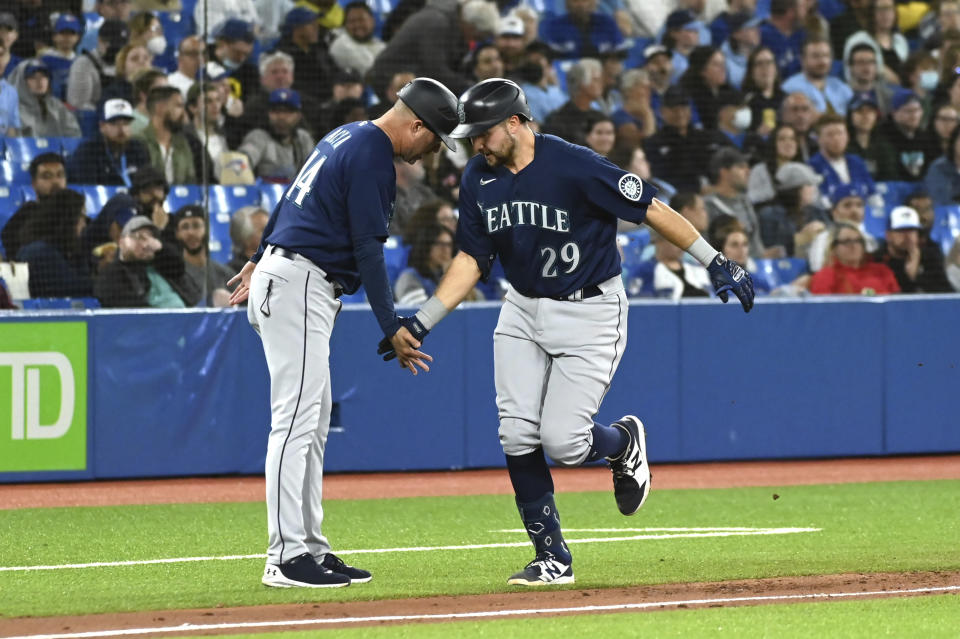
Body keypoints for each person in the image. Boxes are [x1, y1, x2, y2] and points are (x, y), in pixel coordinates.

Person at [377, 78, 754, 586]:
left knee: (565, 441)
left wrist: (715, 260)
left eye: (483, 133)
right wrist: (421, 321)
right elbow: (471, 259)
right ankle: (551, 555)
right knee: (515, 431)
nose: (477, 145)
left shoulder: (574, 163)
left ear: (515, 122)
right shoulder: (478, 178)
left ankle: (621, 443)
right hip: (522, 309)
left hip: (590, 311)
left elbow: (651, 208)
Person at [227, 77, 460, 588]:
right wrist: (391, 324)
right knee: (294, 421)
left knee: (310, 425)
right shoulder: (374, 153)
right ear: (416, 124)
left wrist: (256, 257)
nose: (431, 153)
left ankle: (310, 546)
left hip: (290, 275)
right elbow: (368, 250)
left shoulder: (346, 134)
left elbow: (289, 200)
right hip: (299, 283)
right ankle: (285, 556)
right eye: (434, 140)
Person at [94, 215, 193, 308]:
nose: (146, 244)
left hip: (187, 319)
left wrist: (160, 247)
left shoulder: (160, 264)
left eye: (150, 238)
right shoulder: (112, 273)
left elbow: (179, 267)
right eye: (138, 237)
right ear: (121, 242)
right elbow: (128, 310)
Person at [15, 189, 93, 299]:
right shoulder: (40, 252)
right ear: (69, 218)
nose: (84, 224)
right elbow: (73, 289)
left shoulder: (62, 250)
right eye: (81, 216)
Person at [67, 98, 151, 186]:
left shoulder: (139, 149)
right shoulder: (88, 152)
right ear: (102, 126)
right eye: (114, 123)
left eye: (126, 123)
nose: (121, 130)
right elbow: (88, 189)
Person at [0, 153, 67, 261]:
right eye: (47, 176)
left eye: (60, 175)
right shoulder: (27, 214)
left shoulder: (75, 212)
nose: (55, 181)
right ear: (34, 183)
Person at [238, 88, 315, 182]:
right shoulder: (258, 137)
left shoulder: (303, 138)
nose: (281, 117)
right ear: (268, 114)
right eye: (276, 111)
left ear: (298, 115)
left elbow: (315, 172)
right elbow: (241, 161)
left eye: (288, 112)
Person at [872, 206, 954, 293]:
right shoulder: (878, 259)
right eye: (901, 230)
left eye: (912, 230)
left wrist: (917, 276)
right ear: (888, 235)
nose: (907, 236)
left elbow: (946, 294)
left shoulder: (930, 257)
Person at [704, 147, 768, 258]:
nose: (748, 172)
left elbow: (756, 243)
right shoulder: (707, 206)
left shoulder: (745, 202)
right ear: (724, 172)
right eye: (741, 167)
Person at [809, 221, 899, 295]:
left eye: (857, 241)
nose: (853, 245)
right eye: (846, 241)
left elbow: (896, 306)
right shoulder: (825, 276)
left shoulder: (882, 271)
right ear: (834, 248)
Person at [809, 113, 877, 207]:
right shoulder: (812, 167)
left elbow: (873, 196)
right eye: (830, 134)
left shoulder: (857, 162)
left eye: (840, 133)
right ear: (819, 139)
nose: (836, 138)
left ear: (847, 136)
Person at [171, 205, 233, 307]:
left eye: (196, 226)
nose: (191, 232)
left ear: (207, 229)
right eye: (185, 227)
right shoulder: (175, 274)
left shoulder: (224, 273)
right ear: (177, 233)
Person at [781, 35, 854, 116]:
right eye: (816, 56)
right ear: (802, 60)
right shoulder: (790, 88)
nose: (822, 61)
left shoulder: (841, 87)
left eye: (826, 56)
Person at [67, 18, 129, 111]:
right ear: (100, 40)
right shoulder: (84, 64)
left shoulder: (129, 62)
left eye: (121, 46)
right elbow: (78, 105)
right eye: (112, 44)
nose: (116, 50)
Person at [16, 60, 82, 137]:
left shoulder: (57, 106)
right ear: (22, 81)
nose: (39, 81)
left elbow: (74, 134)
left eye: (44, 77)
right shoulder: (13, 108)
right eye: (33, 77)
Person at [328, 1, 385, 77]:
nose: (357, 25)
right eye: (352, 21)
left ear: (372, 21)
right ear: (345, 24)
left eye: (361, 20)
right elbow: (373, 73)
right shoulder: (340, 44)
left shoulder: (381, 45)